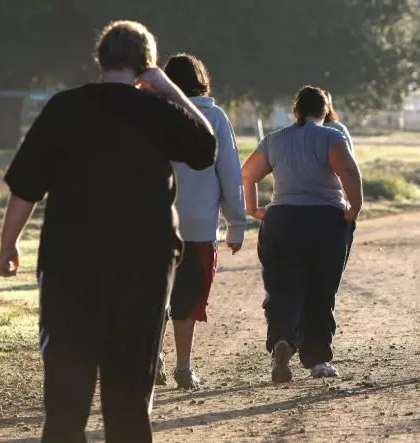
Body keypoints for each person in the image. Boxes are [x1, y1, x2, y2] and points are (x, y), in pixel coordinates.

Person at [0, 21, 217, 442]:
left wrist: (8, 245)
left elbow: (25, 188)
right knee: (130, 400)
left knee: (65, 404)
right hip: (144, 269)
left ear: (100, 60)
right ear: (146, 65)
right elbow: (205, 150)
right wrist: (170, 88)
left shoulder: (64, 108)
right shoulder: (158, 111)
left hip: (69, 269)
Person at [242, 86, 361, 383]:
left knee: (283, 288)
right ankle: (318, 359)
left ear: (295, 112)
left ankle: (282, 341)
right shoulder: (332, 136)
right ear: (325, 112)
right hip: (324, 221)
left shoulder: (275, 140)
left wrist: (254, 208)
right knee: (321, 289)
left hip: (282, 220)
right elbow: (347, 170)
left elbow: (247, 174)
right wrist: (354, 207)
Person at [154, 53, 246, 390]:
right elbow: (230, 172)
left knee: (156, 295)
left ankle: (154, 360)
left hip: (155, 223)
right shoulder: (215, 118)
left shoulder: (154, 115)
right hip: (198, 224)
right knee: (188, 297)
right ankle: (183, 367)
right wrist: (236, 223)